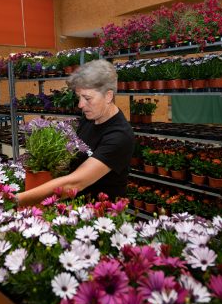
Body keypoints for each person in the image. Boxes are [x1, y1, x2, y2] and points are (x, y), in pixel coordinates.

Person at [16, 59, 134, 206]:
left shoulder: (119, 136)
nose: (80, 105)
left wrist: (16, 200)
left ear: (108, 96)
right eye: (79, 97)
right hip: (77, 208)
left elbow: (74, 184)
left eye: (87, 98)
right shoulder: (90, 118)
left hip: (100, 217)